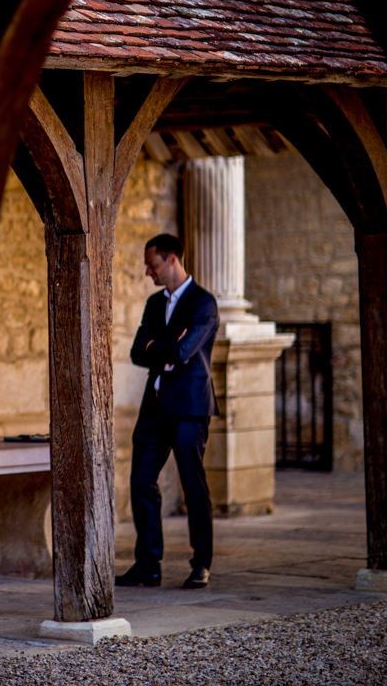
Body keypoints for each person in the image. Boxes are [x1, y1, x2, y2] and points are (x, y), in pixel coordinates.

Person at [118, 233, 219, 590]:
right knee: (142, 481)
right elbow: (136, 353)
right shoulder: (152, 303)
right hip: (155, 407)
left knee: (193, 486)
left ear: (172, 259)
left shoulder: (203, 304)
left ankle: (201, 563)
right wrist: (164, 346)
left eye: (152, 264)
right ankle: (148, 564)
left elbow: (183, 352)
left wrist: (156, 346)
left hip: (190, 407)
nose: (148, 271)